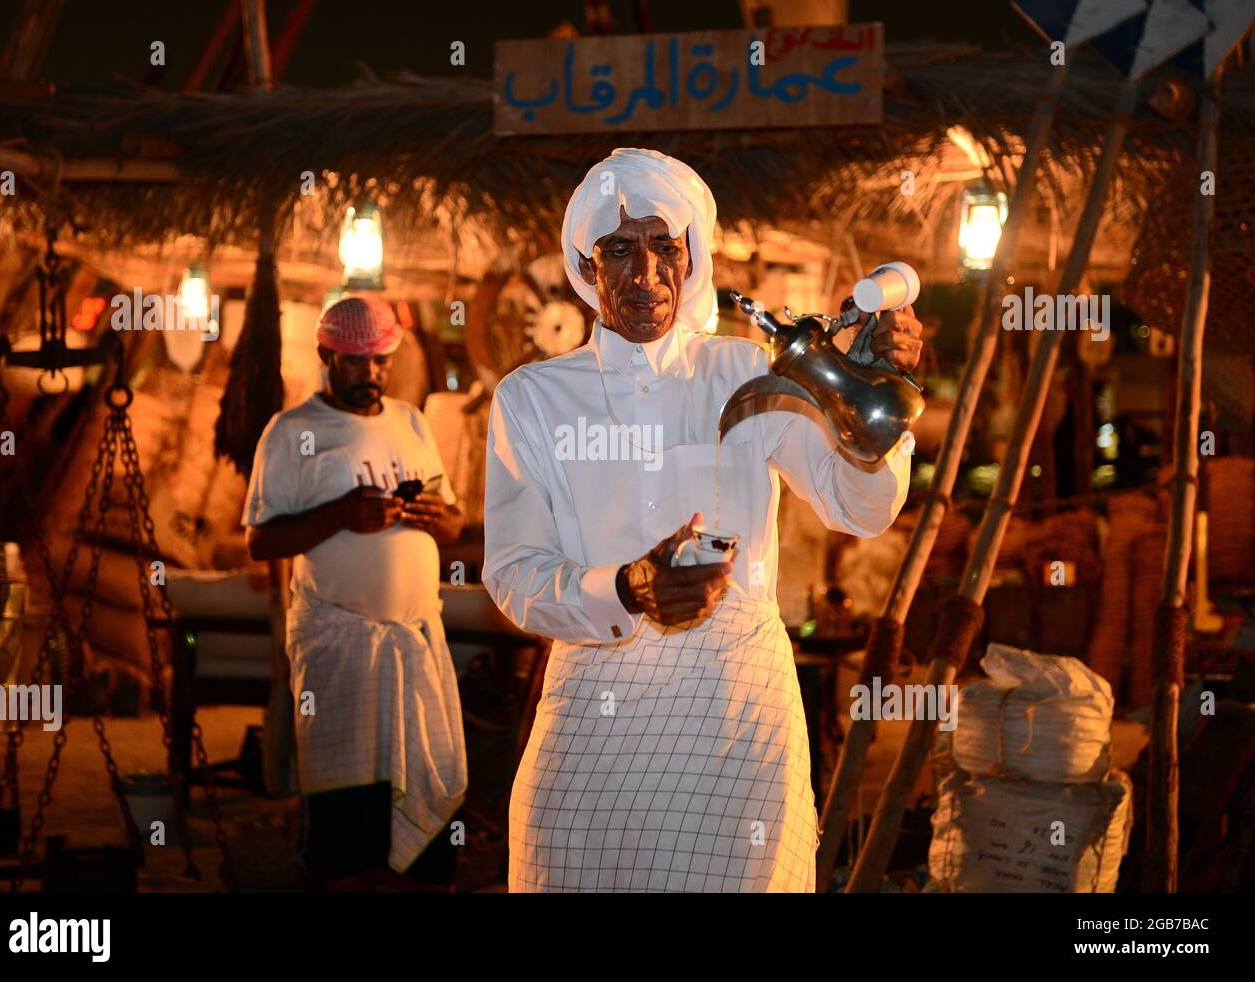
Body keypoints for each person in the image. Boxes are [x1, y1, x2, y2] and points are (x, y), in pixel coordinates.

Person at [482, 149, 922, 892]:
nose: (644, 273)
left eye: (664, 247)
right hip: (594, 705)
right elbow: (514, 573)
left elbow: (859, 507)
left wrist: (880, 392)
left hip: (735, 716)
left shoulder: (747, 373)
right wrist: (624, 588)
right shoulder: (532, 398)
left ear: (693, 259)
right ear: (587, 270)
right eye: (618, 249)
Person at [242, 296, 467, 891]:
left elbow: (453, 524)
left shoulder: (411, 421)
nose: (369, 374)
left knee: (426, 792)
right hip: (340, 645)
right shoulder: (293, 432)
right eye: (354, 362)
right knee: (348, 809)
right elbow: (261, 541)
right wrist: (342, 514)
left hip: (415, 643)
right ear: (326, 356)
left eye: (379, 362)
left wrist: (433, 516)